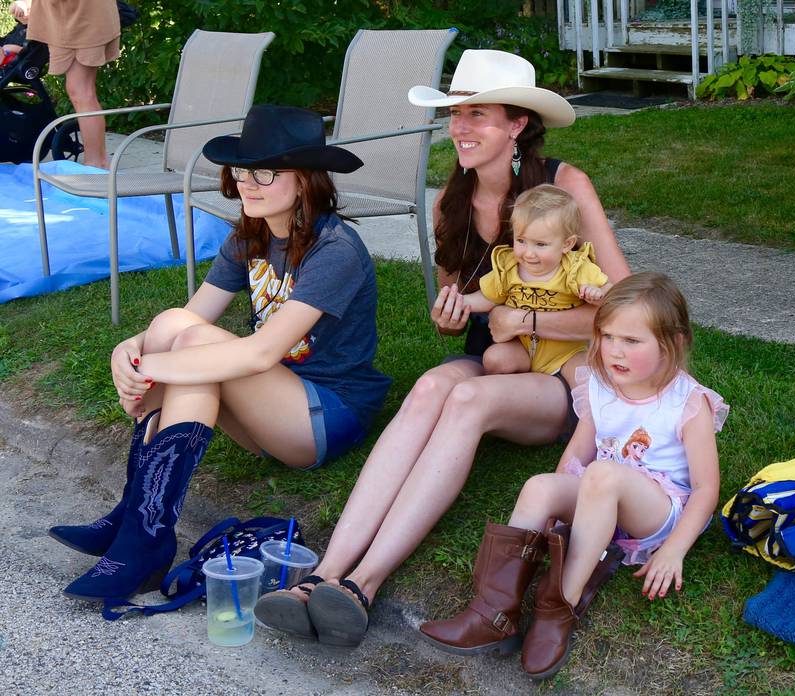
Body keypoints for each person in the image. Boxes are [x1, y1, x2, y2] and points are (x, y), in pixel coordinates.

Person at [255, 49, 630, 648]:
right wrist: (450, 315)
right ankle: (325, 575)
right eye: (456, 113)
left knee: (467, 403)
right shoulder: (450, 199)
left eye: (477, 114)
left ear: (517, 125)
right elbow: (463, 306)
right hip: (493, 358)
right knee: (431, 386)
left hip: (561, 377)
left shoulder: (565, 189)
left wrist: (520, 315)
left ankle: (364, 585)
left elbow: (628, 315)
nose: (459, 127)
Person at [47, 104, 391, 601]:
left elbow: (259, 354)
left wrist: (152, 368)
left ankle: (141, 532)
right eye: (243, 170)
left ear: (308, 179)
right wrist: (129, 350)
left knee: (190, 346)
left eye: (266, 172)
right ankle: (137, 522)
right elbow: (189, 316)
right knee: (173, 325)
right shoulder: (250, 235)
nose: (248, 183)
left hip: (324, 415)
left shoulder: (334, 248)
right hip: (267, 411)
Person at [420, 272, 729, 680]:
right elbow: (576, 455)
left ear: (673, 343)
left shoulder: (688, 402)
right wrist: (558, 504)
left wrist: (675, 550)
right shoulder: (599, 383)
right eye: (607, 336)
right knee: (540, 486)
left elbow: (707, 489)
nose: (614, 351)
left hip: (654, 510)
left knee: (603, 474)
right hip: (599, 492)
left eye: (632, 341)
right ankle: (492, 611)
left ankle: (559, 605)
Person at [459, 184, 611, 376]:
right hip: (522, 346)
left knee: (583, 375)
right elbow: (489, 296)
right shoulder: (510, 266)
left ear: (567, 244)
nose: (529, 253)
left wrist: (598, 294)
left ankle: (587, 405)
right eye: (521, 241)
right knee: (494, 358)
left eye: (540, 244)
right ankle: (516, 396)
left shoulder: (575, 268)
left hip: (566, 351)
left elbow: (611, 294)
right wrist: (462, 302)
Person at [17, 0, 119, 167]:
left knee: (82, 92)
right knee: (79, 91)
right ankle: (97, 163)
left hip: (82, 19)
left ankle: (96, 164)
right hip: (70, 19)